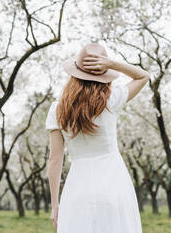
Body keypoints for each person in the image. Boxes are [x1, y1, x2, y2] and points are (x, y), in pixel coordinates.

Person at [46, 43, 149, 233]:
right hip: (114, 184)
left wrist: (55, 205)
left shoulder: (57, 109)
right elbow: (143, 76)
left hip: (78, 187)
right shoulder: (111, 100)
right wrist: (112, 64)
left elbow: (55, 159)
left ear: (74, 74)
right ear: (104, 74)